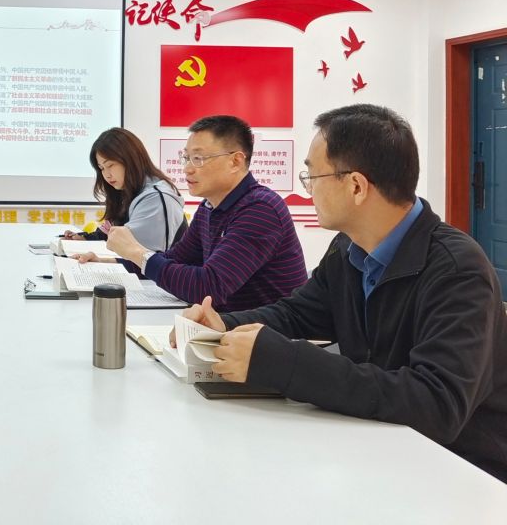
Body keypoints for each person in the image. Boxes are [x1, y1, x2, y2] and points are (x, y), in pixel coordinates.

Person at [182, 104, 507, 482]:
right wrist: (223, 324)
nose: (308, 190)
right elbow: (299, 313)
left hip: (461, 473)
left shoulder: (457, 270)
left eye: (312, 176)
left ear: (356, 186)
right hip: (377, 448)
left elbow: (436, 405)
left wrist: (286, 363)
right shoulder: (349, 247)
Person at [90, 115, 306, 312]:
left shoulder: (260, 209)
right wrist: (109, 263)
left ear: (235, 161)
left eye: (198, 159)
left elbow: (208, 287)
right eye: (186, 158)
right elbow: (176, 258)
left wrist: (136, 252)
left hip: (268, 335)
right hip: (228, 326)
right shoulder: (209, 207)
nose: (187, 168)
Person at [62, 127, 185, 251]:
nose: (106, 174)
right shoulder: (128, 191)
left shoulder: (155, 197)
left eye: (110, 165)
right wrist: (83, 238)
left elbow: (141, 254)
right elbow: (110, 232)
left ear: (131, 159)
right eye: (102, 168)